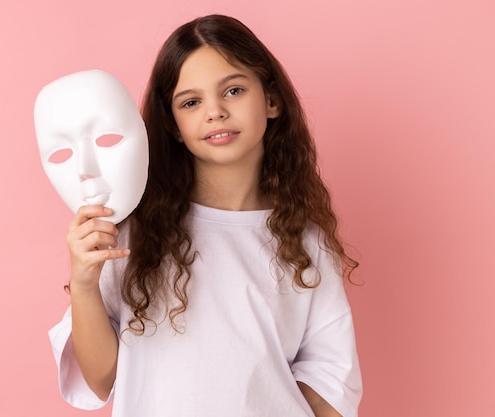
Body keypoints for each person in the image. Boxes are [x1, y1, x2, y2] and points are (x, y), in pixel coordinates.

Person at [49, 14, 362, 417]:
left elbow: (329, 383)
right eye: (191, 102)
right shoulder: (132, 234)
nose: (214, 112)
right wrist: (84, 283)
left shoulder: (306, 243)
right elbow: (101, 379)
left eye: (233, 90)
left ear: (271, 100)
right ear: (174, 125)